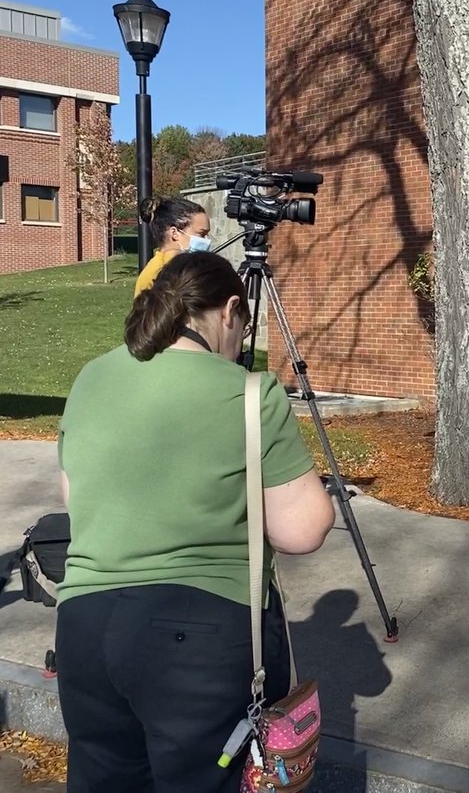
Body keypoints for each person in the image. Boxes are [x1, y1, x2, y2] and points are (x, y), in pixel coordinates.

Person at [55, 251, 335, 793]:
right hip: (197, 636)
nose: (239, 344)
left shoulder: (92, 376)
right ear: (230, 311)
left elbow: (75, 496)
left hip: (85, 626)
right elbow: (302, 530)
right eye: (243, 329)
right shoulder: (251, 393)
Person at [132, 196, 212, 297]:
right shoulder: (155, 275)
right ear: (175, 233)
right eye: (202, 234)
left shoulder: (192, 267)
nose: (207, 240)